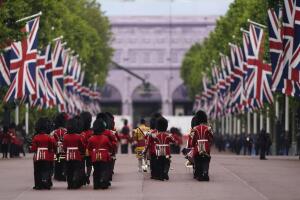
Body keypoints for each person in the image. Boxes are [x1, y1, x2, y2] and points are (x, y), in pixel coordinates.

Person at [87, 118, 113, 189]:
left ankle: (96, 185)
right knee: (104, 170)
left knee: (96, 171)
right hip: (104, 156)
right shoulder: (105, 138)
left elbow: (89, 148)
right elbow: (110, 146)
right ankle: (104, 183)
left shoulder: (91, 138)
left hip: (95, 156)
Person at [31, 117, 56, 190]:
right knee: (46, 170)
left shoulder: (35, 137)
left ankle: (38, 185)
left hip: (38, 155)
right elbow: (52, 146)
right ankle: (47, 184)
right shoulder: (49, 137)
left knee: (37, 171)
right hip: (47, 155)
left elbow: (34, 149)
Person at [63, 118, 86, 189]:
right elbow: (81, 146)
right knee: (77, 169)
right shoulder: (78, 136)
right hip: (76, 154)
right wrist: (82, 151)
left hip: (68, 155)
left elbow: (64, 147)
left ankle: (69, 185)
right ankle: (75, 181)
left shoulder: (65, 136)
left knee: (69, 170)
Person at [191, 110, 213, 181]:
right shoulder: (208, 128)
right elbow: (211, 137)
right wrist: (209, 143)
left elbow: (194, 140)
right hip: (206, 146)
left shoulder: (195, 128)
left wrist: (193, 145)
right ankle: (205, 173)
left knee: (197, 160)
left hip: (197, 147)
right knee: (206, 160)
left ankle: (199, 174)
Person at [152, 116, 175, 181]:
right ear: (165, 126)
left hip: (159, 149)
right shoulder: (168, 135)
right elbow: (173, 141)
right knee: (167, 162)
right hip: (166, 150)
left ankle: (160, 175)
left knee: (159, 162)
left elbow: (154, 141)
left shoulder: (156, 135)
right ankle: (165, 172)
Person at [52, 113, 67, 181]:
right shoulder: (66, 131)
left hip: (57, 148)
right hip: (64, 148)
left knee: (58, 161)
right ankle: (64, 173)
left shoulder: (54, 132)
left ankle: (57, 175)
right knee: (64, 161)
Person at [80, 112, 93, 184]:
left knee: (82, 163)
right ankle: (87, 176)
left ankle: (84, 176)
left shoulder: (80, 131)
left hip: (82, 149)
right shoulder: (90, 132)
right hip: (88, 149)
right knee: (89, 163)